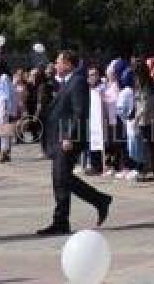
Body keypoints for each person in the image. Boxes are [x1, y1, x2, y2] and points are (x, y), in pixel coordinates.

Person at [39, 50, 112, 236]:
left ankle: (65, 219)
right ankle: (97, 201)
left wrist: (70, 136)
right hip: (59, 139)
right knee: (60, 179)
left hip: (68, 140)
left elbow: (80, 112)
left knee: (61, 179)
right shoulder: (67, 82)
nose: (55, 65)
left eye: (58, 61)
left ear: (68, 64)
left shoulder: (78, 82)